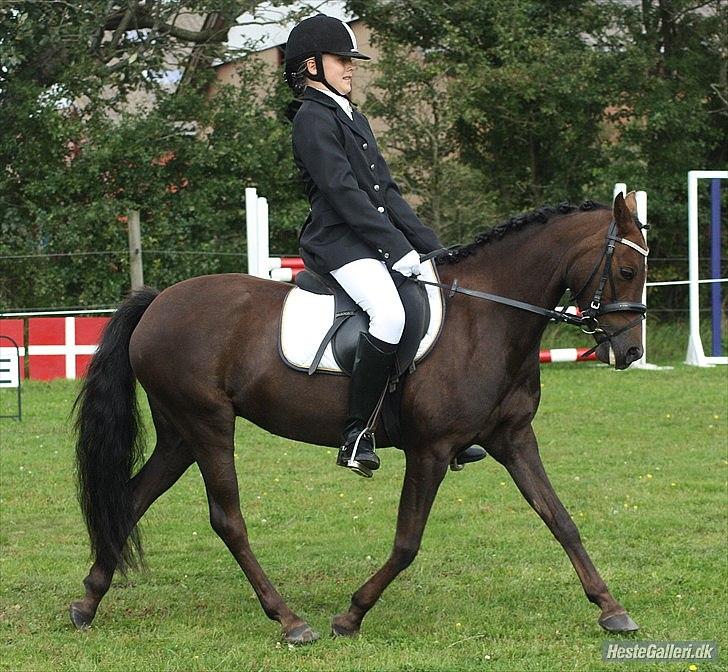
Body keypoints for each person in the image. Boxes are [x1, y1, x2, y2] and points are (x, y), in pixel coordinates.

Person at [284, 14, 485, 477]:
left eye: (352, 61)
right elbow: (344, 194)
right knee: (389, 314)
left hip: (370, 240)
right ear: (312, 66)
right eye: (342, 60)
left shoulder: (353, 116)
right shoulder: (312, 119)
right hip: (338, 243)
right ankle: (356, 434)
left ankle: (430, 424)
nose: (351, 68)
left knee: (432, 298)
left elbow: (386, 193)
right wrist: (397, 250)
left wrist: (433, 249)